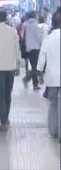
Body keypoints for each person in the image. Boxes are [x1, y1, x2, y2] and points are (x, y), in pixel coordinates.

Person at [0, 8, 21, 132]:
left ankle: (3, 122)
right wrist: (19, 64)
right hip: (10, 69)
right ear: (6, 18)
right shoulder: (12, 31)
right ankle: (5, 118)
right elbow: (17, 49)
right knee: (7, 95)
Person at [37, 8, 61, 140]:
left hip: (52, 77)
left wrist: (40, 73)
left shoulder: (48, 38)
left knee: (53, 103)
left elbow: (42, 56)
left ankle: (53, 130)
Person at [23, 11, 43, 90]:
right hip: (36, 48)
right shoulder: (35, 26)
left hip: (29, 49)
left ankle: (35, 85)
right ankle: (26, 79)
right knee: (35, 68)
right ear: (34, 17)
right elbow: (39, 38)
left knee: (34, 67)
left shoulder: (26, 26)